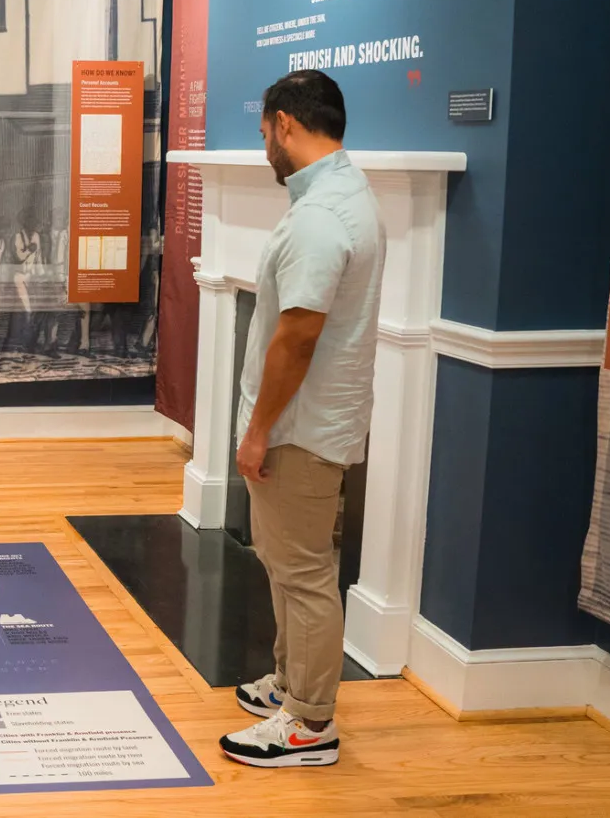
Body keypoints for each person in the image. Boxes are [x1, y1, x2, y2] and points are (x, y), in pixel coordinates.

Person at [219, 70, 385, 770]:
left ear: (285, 123)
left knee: (305, 571)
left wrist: (257, 430)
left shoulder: (321, 217)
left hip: (299, 430)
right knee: (287, 562)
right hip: (316, 424)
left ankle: (311, 723)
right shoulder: (343, 194)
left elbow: (297, 336)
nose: (264, 148)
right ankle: (290, 685)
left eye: (263, 133)